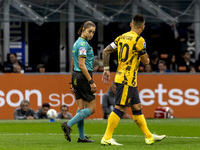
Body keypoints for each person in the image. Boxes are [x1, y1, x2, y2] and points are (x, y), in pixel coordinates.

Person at [101, 14, 166, 146]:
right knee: (119, 107)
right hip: (127, 78)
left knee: (137, 106)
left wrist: (106, 69)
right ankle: (107, 137)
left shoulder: (121, 37)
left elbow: (106, 51)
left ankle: (149, 136)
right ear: (143, 26)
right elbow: (146, 62)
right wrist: (146, 58)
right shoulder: (139, 40)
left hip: (126, 77)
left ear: (131, 25)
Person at [61, 20, 97, 143]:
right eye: (89, 31)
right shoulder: (83, 45)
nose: (91, 34)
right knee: (92, 109)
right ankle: (68, 124)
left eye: (93, 32)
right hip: (83, 76)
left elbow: (72, 63)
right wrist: (91, 81)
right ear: (83, 29)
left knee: (81, 108)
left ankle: (81, 137)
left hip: (76, 76)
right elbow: (82, 65)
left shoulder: (77, 43)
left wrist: (72, 81)